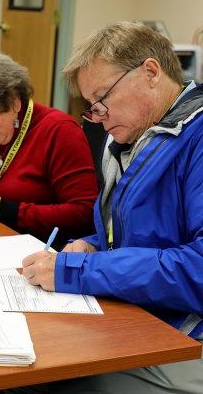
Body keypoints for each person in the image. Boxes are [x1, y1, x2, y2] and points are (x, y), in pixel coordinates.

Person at [21, 21, 203, 393]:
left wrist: (81, 269)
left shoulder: (195, 137)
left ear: (151, 72)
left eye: (103, 97)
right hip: (143, 314)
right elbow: (140, 237)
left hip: (187, 335)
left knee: (51, 377)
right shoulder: (132, 137)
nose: (98, 116)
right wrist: (93, 243)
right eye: (91, 106)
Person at [0, 46, 98, 247]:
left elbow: (84, 213)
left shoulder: (59, 131)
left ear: (14, 101)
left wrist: (6, 210)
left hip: (44, 252)